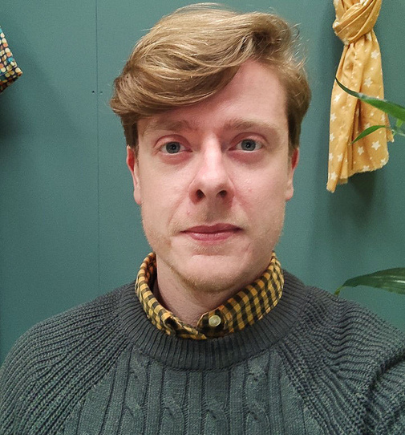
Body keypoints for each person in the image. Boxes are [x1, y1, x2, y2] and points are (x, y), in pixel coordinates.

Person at [1, 4, 404, 434]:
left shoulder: (378, 384)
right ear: (136, 173)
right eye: (173, 146)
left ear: (289, 168)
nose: (211, 181)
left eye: (248, 143)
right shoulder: (39, 376)